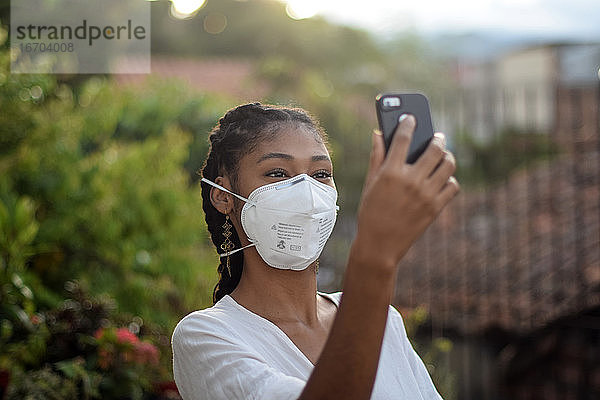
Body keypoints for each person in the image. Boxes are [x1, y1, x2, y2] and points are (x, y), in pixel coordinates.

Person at [171, 102, 459, 400]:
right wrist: (374, 258)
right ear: (223, 197)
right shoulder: (207, 336)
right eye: (278, 173)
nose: (306, 192)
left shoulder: (384, 321)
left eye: (321, 174)